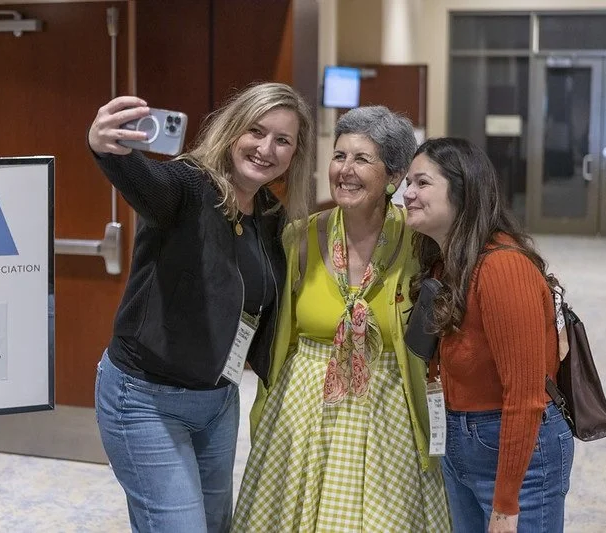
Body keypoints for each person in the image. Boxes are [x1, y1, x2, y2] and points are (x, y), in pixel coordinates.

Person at [87, 82, 314, 533]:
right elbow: (147, 183)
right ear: (233, 131)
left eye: (282, 140)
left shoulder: (269, 214)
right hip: (145, 399)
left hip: (217, 401)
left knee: (213, 526)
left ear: (294, 154)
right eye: (256, 131)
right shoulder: (189, 186)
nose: (266, 148)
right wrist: (106, 148)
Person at [233, 106, 450, 532]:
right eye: (339, 156)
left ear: (393, 176)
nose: (345, 171)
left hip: (390, 406)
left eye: (362, 159)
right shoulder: (300, 236)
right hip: (302, 408)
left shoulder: (420, 241)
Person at [403, 137, 574, 533]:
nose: (408, 194)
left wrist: (506, 505)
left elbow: (526, 396)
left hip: (517, 450)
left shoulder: (500, 267)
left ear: (462, 191)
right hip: (462, 440)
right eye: (408, 183)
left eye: (422, 183)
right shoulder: (447, 262)